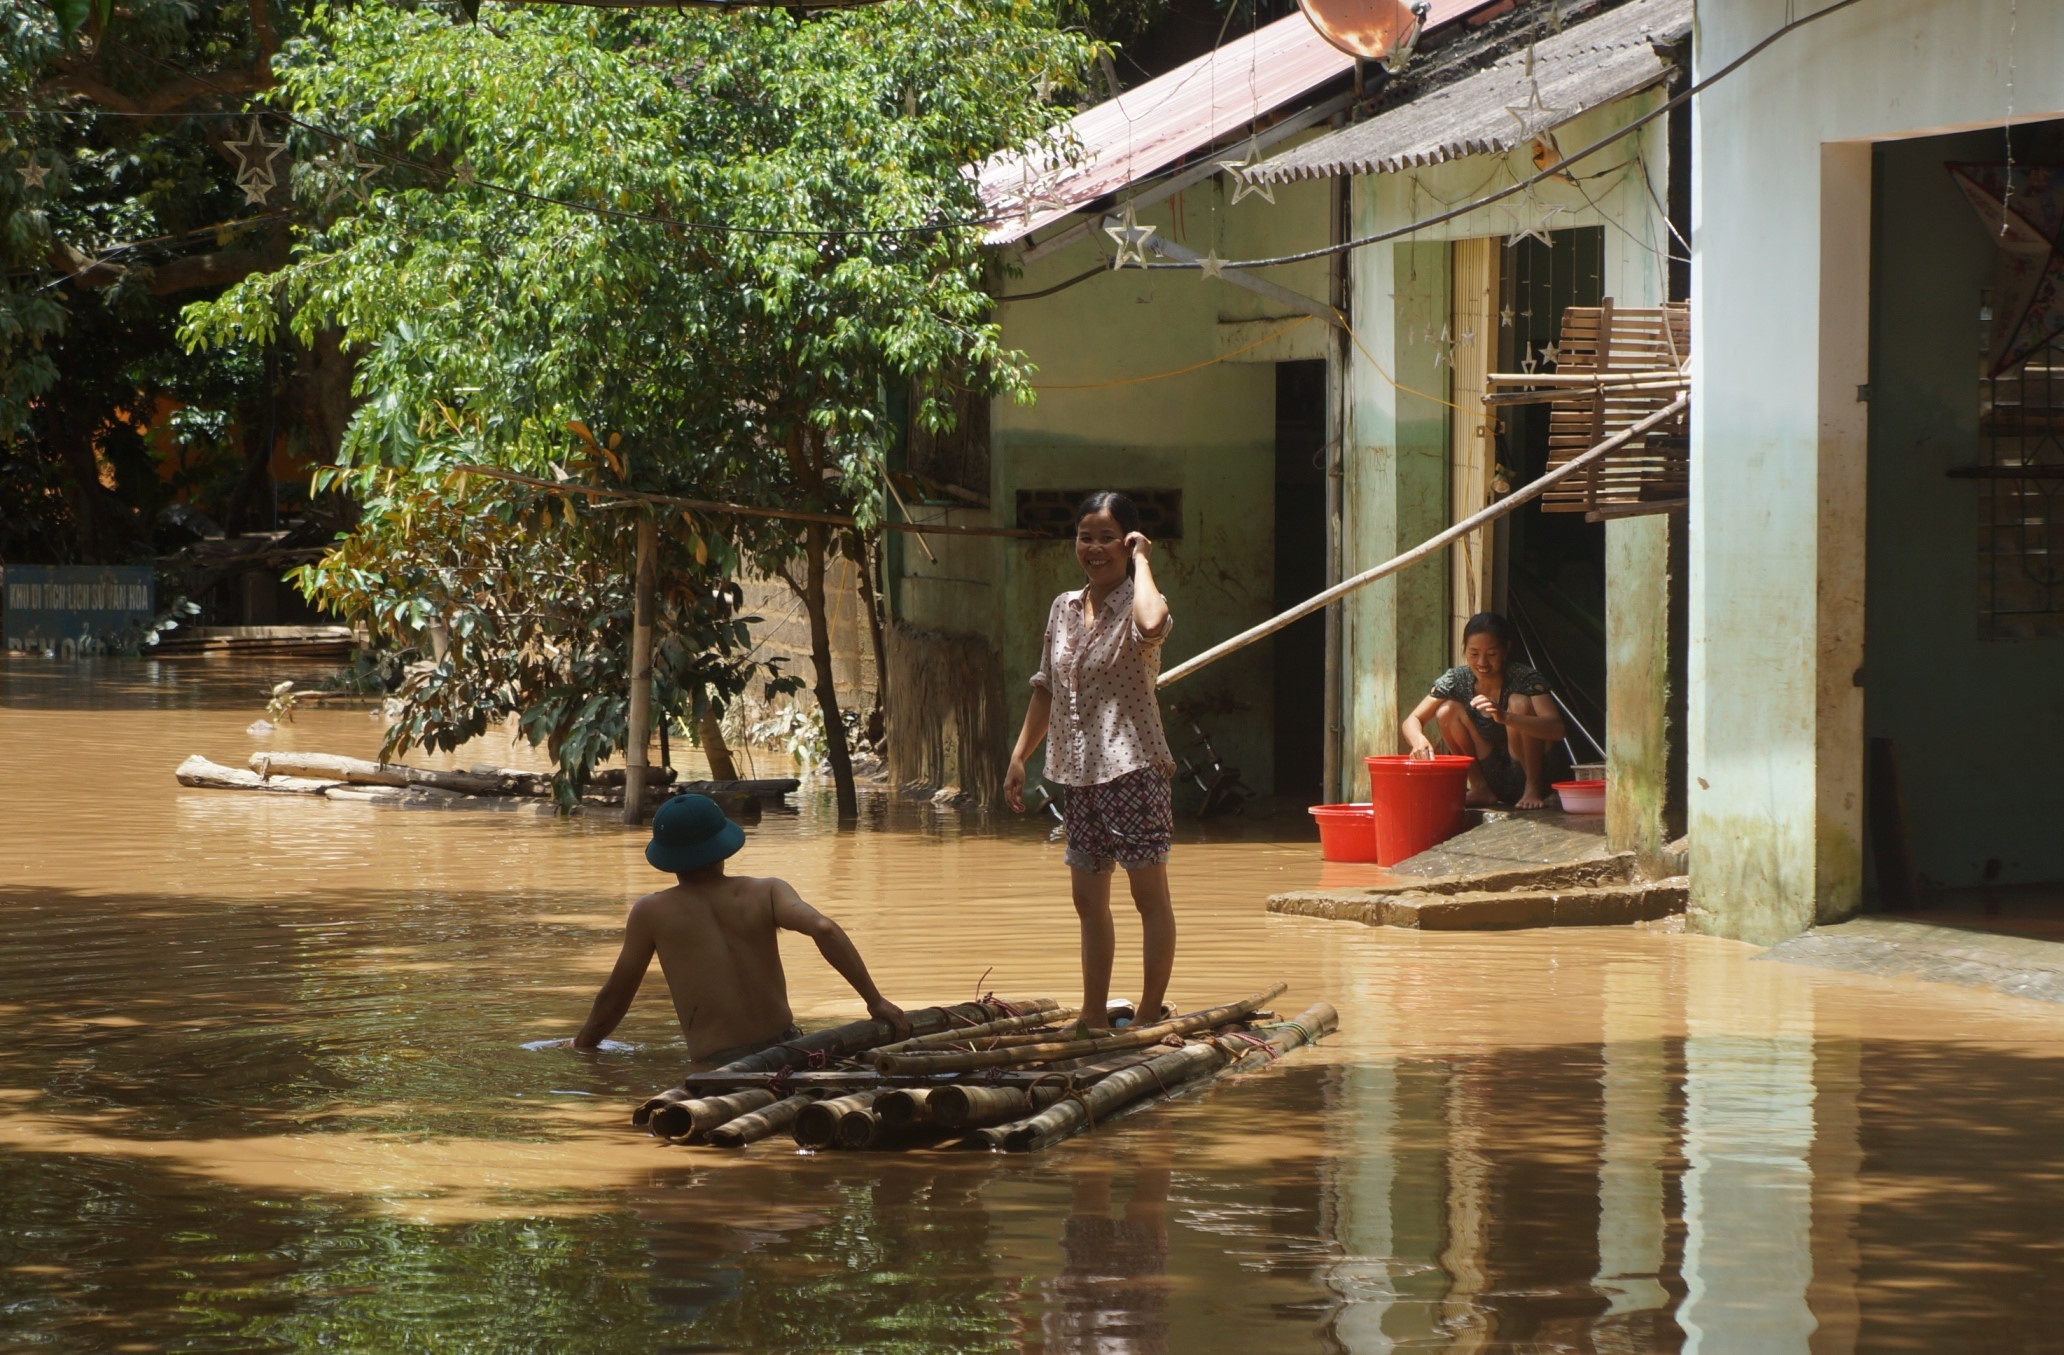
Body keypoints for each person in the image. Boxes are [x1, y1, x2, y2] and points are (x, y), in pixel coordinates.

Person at [1004, 491, 1177, 1035]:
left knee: (1148, 897)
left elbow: (1152, 624)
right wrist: (1018, 758)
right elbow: (1045, 690)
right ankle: (1092, 1015)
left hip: (1133, 770)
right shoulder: (1063, 608)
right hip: (1076, 774)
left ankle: (1149, 1014)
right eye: (1085, 536)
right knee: (1087, 900)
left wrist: (1144, 559)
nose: (1094, 548)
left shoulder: (1141, 602)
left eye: (1108, 538)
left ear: (1126, 544)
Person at [572, 793, 908, 1061]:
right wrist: (875, 1001)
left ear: (667, 856)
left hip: (721, 1065)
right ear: (723, 845)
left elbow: (617, 994)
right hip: (789, 1050)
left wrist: (582, 1046)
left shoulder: (651, 912)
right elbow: (824, 928)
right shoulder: (768, 891)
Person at [1401, 612, 1567, 810]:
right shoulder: (1456, 679)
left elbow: (1557, 729)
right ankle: (1480, 788)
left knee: (1519, 703)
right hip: (1494, 776)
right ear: (1464, 650)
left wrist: (1506, 717)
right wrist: (1418, 740)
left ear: (1506, 650)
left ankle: (1532, 787)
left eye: (1491, 654)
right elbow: (1413, 719)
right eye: (1473, 653)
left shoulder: (1524, 677)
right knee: (1446, 711)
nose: (1482, 663)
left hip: (1536, 774)